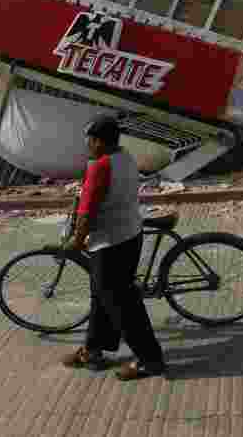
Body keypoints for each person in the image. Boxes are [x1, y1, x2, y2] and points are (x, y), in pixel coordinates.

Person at [62, 114, 167, 380]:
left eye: (90, 141)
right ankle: (93, 349)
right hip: (130, 235)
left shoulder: (100, 166)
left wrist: (75, 241)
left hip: (111, 244)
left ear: (98, 141)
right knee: (102, 297)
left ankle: (150, 360)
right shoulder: (125, 157)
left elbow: (86, 214)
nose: (88, 145)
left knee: (124, 306)